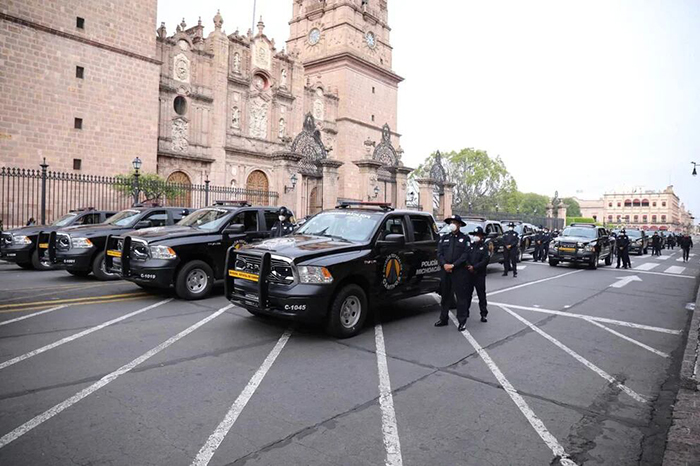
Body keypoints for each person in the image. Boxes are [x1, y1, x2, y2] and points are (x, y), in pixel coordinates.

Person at [435, 215, 470, 330]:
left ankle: (462, 321)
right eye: (451, 222)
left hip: (459, 272)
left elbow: (465, 255)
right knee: (445, 296)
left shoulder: (465, 238)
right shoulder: (444, 238)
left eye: (455, 222)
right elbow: (439, 253)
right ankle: (443, 318)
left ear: (459, 225)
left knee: (461, 297)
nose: (452, 224)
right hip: (446, 271)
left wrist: (453, 265)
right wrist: (444, 264)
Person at [465, 226, 490, 326]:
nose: (476, 236)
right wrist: (468, 266)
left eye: (478, 235)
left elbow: (485, 261)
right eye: (475, 235)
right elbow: (466, 257)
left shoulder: (485, 247)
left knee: (481, 295)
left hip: (479, 274)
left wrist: (474, 267)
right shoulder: (470, 246)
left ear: (482, 236)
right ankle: (465, 312)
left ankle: (483, 314)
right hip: (469, 274)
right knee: (467, 294)